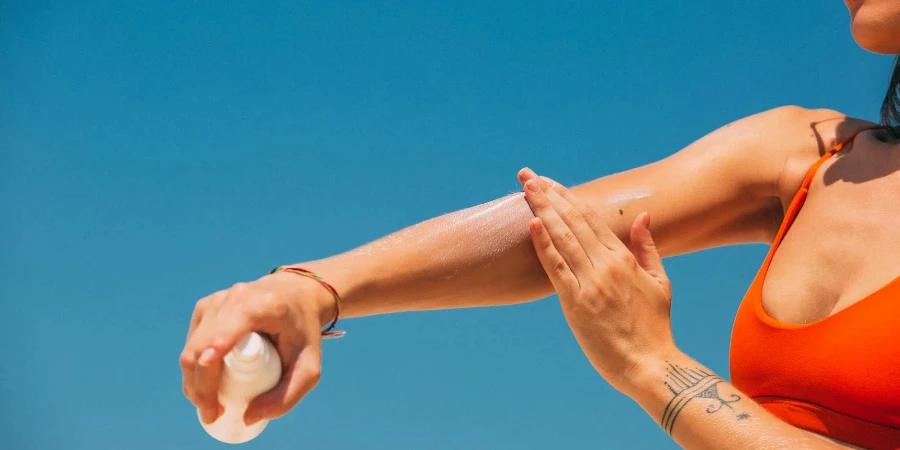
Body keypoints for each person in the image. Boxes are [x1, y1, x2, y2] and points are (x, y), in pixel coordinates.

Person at [180, 1, 900, 448]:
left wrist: (653, 367)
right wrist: (316, 286)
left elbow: (643, 353)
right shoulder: (807, 154)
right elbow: (552, 234)